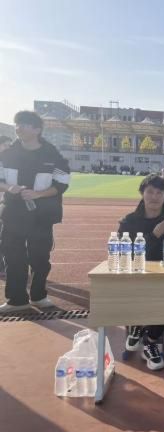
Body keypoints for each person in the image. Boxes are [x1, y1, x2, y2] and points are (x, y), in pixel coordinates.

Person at [0, 111, 70, 314]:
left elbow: (62, 183)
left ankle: (39, 296)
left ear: (37, 129)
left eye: (24, 124)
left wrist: (38, 194)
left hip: (41, 215)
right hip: (13, 213)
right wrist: (9, 188)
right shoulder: (7, 154)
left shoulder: (52, 155)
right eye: (17, 123)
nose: (18, 127)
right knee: (13, 257)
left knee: (40, 258)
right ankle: (16, 300)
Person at [118, 175, 164, 370]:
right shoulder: (129, 222)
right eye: (150, 192)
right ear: (142, 194)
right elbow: (126, 254)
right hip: (136, 277)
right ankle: (137, 326)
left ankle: (149, 340)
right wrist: (154, 235)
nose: (154, 197)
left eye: (160, 192)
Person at [0, 136, 13, 274]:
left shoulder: (8, 162)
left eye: (10, 145)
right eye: (5, 145)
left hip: (5, 205)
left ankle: (3, 265)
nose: (8, 148)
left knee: (4, 236)